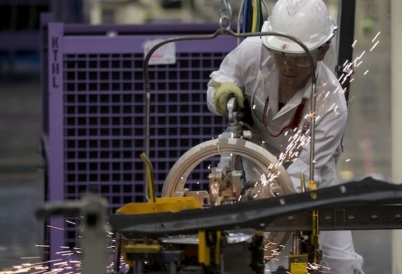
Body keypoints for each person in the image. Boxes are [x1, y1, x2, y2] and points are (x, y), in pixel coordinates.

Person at [206, 0, 365, 273]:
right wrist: (222, 95)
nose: (288, 66)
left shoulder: (332, 104)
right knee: (257, 258)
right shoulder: (253, 53)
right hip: (255, 161)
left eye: (300, 58)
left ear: (322, 51)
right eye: (281, 56)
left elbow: (299, 173)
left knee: (342, 264)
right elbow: (219, 80)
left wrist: (264, 195)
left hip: (312, 176)